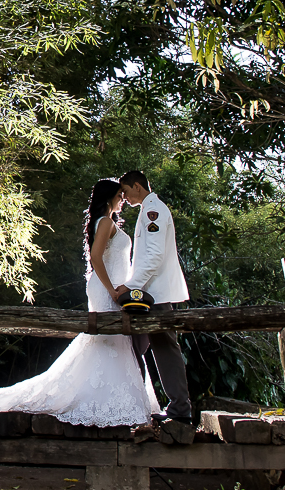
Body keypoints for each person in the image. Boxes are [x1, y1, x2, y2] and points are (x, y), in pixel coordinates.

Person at [0, 179, 160, 426]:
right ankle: (103, 398)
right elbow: (96, 257)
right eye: (119, 195)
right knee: (108, 337)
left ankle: (109, 394)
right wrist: (113, 291)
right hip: (108, 289)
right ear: (108, 198)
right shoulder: (105, 222)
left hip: (112, 287)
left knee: (111, 340)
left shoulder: (107, 222)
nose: (122, 200)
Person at [113, 170, 192, 423]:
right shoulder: (149, 209)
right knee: (145, 347)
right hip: (151, 293)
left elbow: (154, 256)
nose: (123, 197)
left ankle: (179, 410)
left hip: (155, 294)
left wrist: (130, 286)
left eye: (125, 191)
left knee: (163, 347)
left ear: (137, 186)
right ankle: (146, 405)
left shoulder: (152, 210)